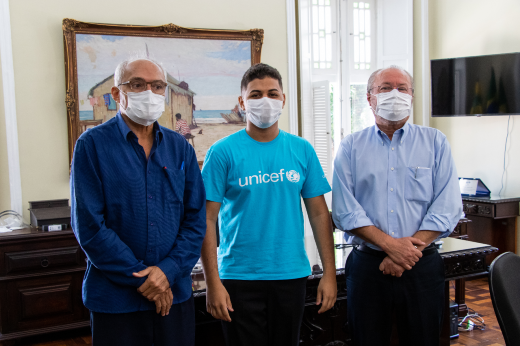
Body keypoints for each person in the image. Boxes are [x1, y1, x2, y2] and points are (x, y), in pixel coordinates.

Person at [70, 54, 206, 346]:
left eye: (157, 86)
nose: (150, 92)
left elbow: (195, 218)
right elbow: (90, 226)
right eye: (138, 84)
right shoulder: (92, 146)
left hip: (175, 293)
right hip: (117, 299)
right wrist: (145, 279)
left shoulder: (179, 148)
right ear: (118, 93)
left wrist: (167, 272)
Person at [200, 63, 337, 346]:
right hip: (238, 276)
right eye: (256, 94)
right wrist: (212, 282)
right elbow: (206, 219)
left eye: (273, 93)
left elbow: (319, 213)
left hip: (291, 274)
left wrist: (329, 274)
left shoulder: (302, 150)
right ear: (242, 102)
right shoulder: (222, 152)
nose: (265, 100)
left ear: (283, 99)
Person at [332, 65, 462, 346]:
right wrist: (391, 247)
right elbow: (344, 210)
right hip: (368, 266)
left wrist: (405, 253)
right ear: (369, 98)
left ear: (412, 96)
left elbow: (447, 206)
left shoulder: (435, 142)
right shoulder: (351, 146)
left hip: (422, 265)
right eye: (385, 88)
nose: (395, 93)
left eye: (402, 88)